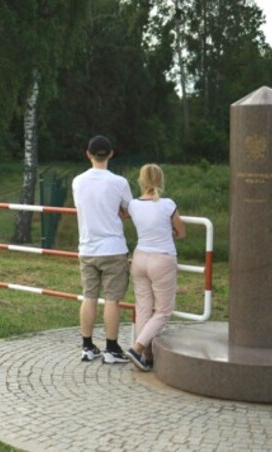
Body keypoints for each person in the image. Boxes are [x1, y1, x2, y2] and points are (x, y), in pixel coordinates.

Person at [72, 135, 133, 364]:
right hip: (113, 248)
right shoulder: (119, 182)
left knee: (89, 297)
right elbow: (128, 209)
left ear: (88, 154)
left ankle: (87, 346)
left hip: (87, 247)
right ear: (111, 154)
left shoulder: (78, 181)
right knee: (112, 299)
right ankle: (112, 348)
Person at [124, 164, 185, 371]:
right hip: (162, 259)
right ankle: (137, 348)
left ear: (141, 181)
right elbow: (181, 231)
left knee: (143, 309)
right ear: (160, 180)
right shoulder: (168, 204)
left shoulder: (133, 205)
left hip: (140, 258)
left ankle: (148, 357)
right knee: (163, 311)